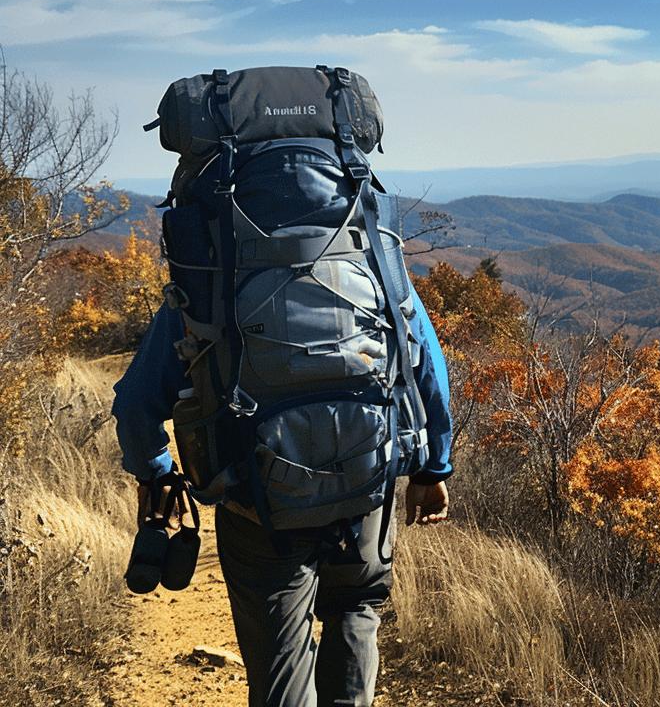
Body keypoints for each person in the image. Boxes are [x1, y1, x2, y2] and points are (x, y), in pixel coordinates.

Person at [112, 283, 454, 707]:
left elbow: (134, 403)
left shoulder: (213, 270)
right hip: (364, 489)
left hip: (257, 502)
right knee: (355, 609)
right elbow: (429, 370)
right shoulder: (369, 255)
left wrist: (155, 473)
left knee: (278, 653)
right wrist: (431, 467)